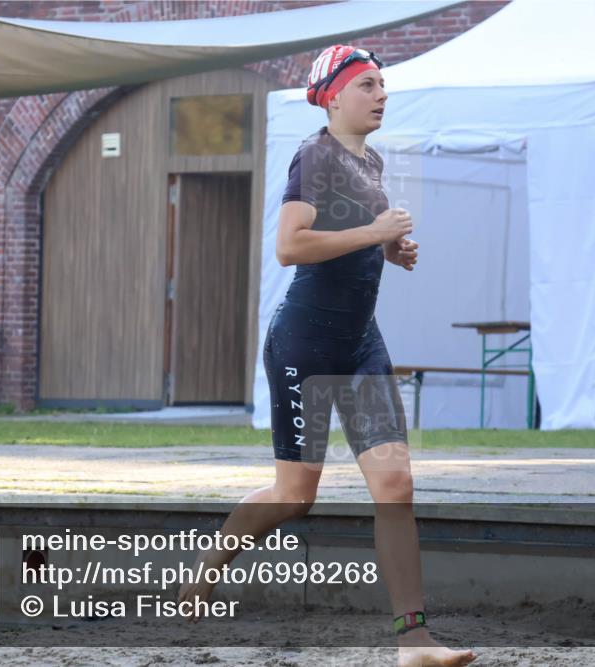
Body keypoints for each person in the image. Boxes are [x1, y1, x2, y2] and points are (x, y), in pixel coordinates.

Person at [179, 44, 476, 667]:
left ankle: (415, 643)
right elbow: (290, 245)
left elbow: (349, 238)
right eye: (368, 85)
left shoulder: (369, 159)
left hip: (360, 341)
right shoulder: (314, 155)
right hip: (305, 345)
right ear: (334, 95)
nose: (381, 95)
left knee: (394, 484)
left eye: (383, 85)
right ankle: (205, 570)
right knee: (295, 497)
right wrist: (374, 233)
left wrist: (389, 252)